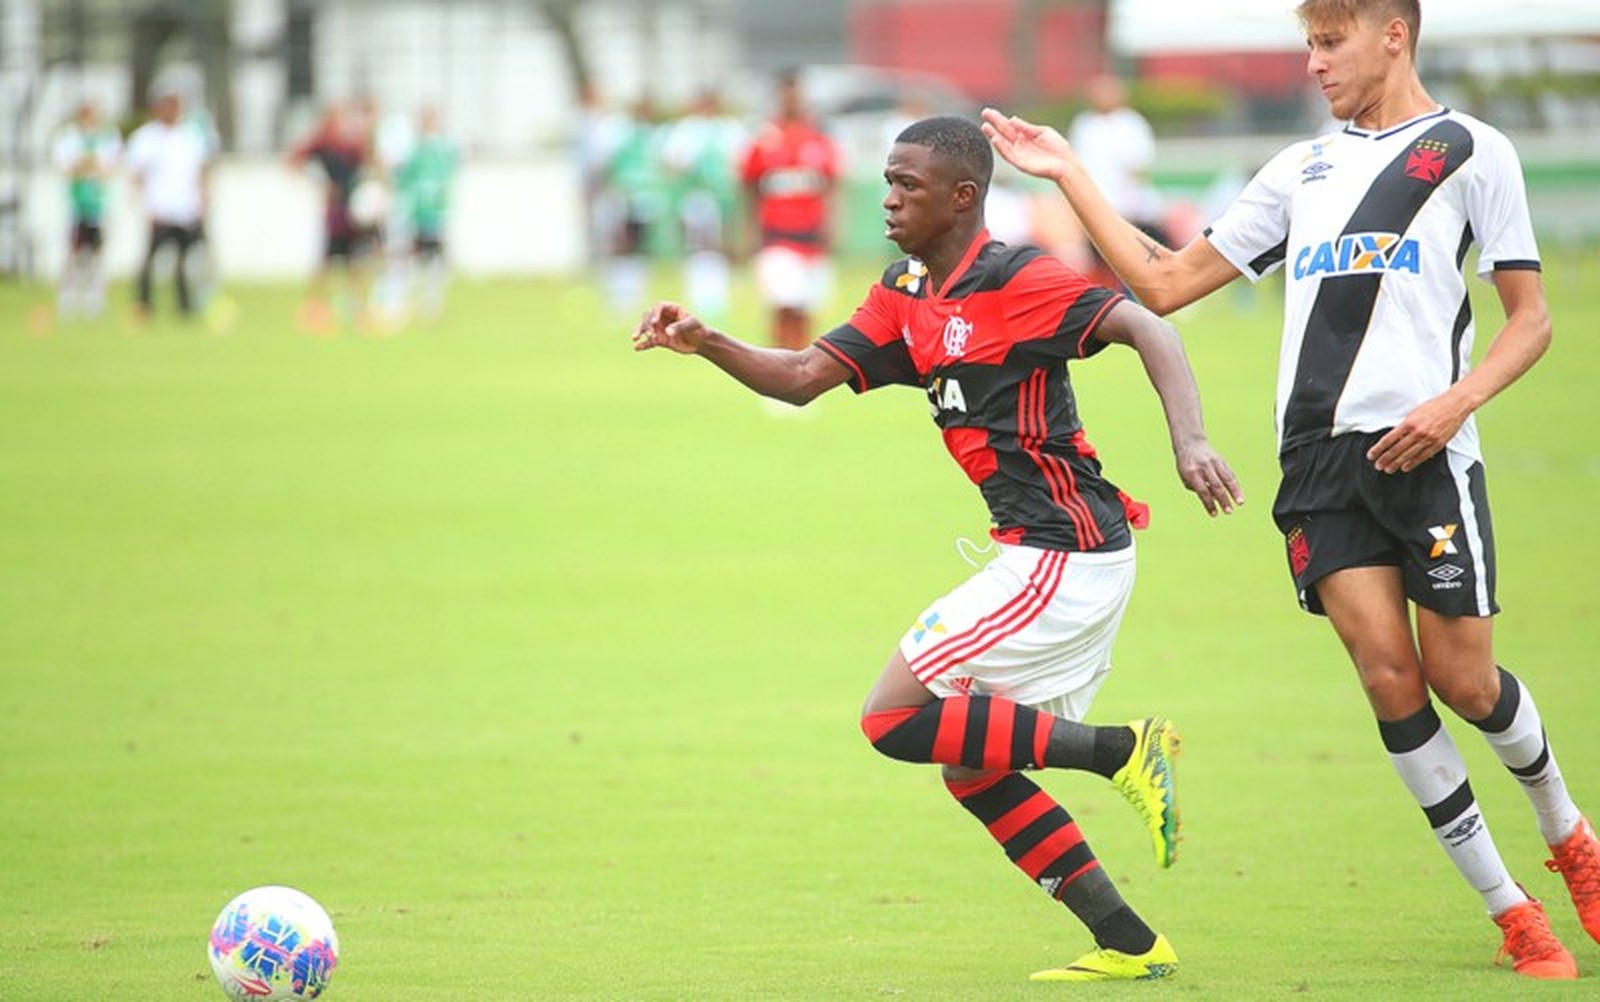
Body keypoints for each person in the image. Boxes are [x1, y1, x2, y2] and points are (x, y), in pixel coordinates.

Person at [983, 0, 1598, 981]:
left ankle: (1567, 833)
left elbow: (1531, 319)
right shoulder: (1296, 171)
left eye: (1329, 42)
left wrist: (1454, 405)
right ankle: (1510, 909)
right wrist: (1069, 174)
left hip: (1428, 453)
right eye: (1308, 44)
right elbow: (1165, 282)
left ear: (1392, 34)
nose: (1314, 62)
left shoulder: (1472, 151)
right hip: (1316, 464)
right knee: (1387, 680)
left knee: (1465, 682)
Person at [634, 115, 1243, 982]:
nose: (887, 199)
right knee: (970, 765)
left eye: (906, 185)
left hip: (1064, 553)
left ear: (962, 197)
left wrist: (1192, 442)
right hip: (1036, 552)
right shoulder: (906, 291)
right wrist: (708, 344)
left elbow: (1152, 326)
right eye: (887, 181)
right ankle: (1130, 944)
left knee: (891, 718)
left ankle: (1124, 750)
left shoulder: (1019, 278)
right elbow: (803, 378)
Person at [738, 70, 841, 350]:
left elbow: (833, 184)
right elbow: (748, 188)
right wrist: (749, 232)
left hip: (812, 238)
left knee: (806, 311)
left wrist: (834, 224)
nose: (792, 99)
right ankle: (779, 367)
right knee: (783, 307)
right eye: (787, 93)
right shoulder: (764, 138)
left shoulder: (818, 138)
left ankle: (800, 367)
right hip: (777, 237)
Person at [1066, 75, 1164, 288]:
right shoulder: (1085, 125)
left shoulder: (1131, 123)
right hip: (1094, 201)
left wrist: (1130, 201)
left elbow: (1138, 166)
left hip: (1126, 203)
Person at [124, 87, 212, 319]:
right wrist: (144, 204)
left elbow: (200, 171)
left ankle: (184, 305)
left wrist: (203, 198)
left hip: (186, 209)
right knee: (150, 259)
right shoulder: (146, 138)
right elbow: (136, 175)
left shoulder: (190, 136)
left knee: (186, 259)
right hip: (160, 209)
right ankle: (143, 304)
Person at [289, 101, 376, 332]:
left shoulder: (353, 143)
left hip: (353, 212)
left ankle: (358, 312)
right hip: (335, 212)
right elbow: (294, 160)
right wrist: (318, 183)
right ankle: (314, 310)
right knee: (327, 262)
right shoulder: (322, 142)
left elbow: (368, 161)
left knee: (355, 262)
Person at [660, 89, 745, 319]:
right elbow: (671, 163)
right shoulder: (686, 130)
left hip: (723, 197)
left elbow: (740, 163)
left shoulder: (728, 129)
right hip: (696, 195)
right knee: (699, 244)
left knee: (721, 244)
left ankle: (718, 295)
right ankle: (700, 294)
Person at [50, 99, 122, 319]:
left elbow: (109, 168)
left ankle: (95, 298)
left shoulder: (107, 137)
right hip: (75, 205)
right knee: (72, 251)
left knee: (97, 253)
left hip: (99, 206)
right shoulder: (69, 137)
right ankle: (67, 297)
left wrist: (90, 165)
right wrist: (87, 164)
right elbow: (67, 168)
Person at [393, 104, 459, 321]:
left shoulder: (443, 150)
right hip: (416, 213)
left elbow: (448, 178)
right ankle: (407, 301)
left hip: (435, 214)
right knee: (412, 258)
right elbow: (403, 180)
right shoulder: (414, 150)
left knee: (435, 258)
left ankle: (431, 303)